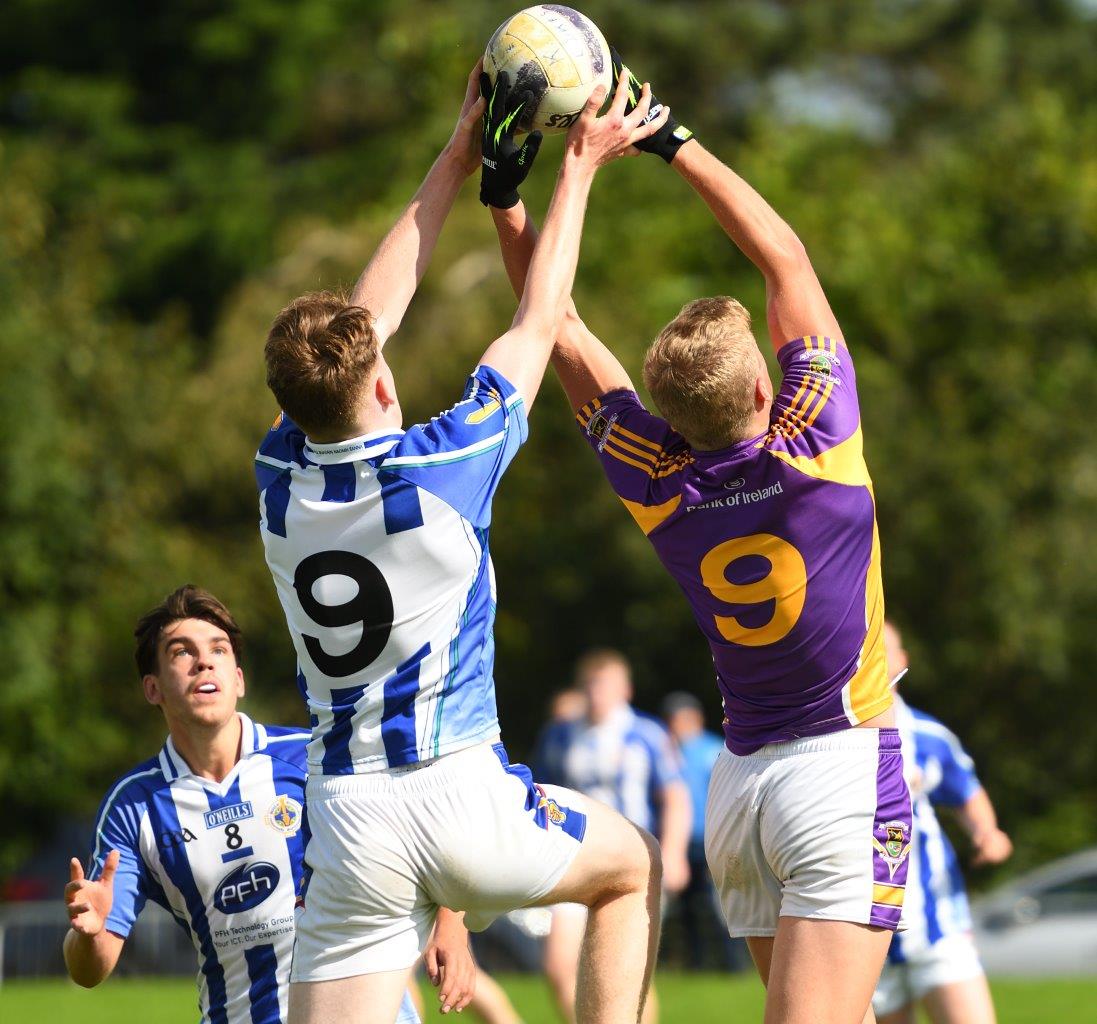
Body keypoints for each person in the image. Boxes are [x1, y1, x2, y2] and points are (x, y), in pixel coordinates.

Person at [487, 48, 911, 1024]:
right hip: (839, 771)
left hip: (738, 793)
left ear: (671, 415)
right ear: (763, 388)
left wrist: (506, 194)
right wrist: (668, 139)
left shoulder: (655, 478)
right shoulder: (816, 450)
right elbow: (785, 261)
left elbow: (552, 322)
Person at [254, 64, 671, 1024]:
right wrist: (577, 170)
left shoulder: (278, 476)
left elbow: (363, 326)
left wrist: (452, 157)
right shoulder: (449, 462)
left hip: (347, 815)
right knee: (627, 872)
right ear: (386, 386)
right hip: (460, 796)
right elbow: (539, 317)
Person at [62, 585, 473, 1024]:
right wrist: (90, 932)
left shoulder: (316, 756)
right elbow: (92, 968)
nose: (204, 661)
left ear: (237, 679)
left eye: (218, 650)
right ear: (153, 687)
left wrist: (452, 925)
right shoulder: (134, 806)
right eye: (182, 652)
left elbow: (425, 826)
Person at [535, 650, 692, 1023]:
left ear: (626, 689)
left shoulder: (647, 734)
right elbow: (539, 792)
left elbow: (675, 796)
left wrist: (675, 852)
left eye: (605, 686)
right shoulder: (560, 734)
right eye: (591, 685)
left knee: (627, 975)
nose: (597, 694)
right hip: (574, 861)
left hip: (631, 864)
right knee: (559, 967)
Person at [873, 622, 1012, 1024]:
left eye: (884, 651)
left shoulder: (929, 736)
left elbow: (968, 794)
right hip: (865, 929)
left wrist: (987, 833)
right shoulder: (831, 739)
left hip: (938, 922)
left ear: (902, 661)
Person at [662, 691, 740, 970]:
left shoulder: (712, 748)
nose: (674, 724)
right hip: (681, 841)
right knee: (686, 907)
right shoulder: (667, 750)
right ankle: (695, 964)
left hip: (710, 836)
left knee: (717, 903)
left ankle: (733, 965)